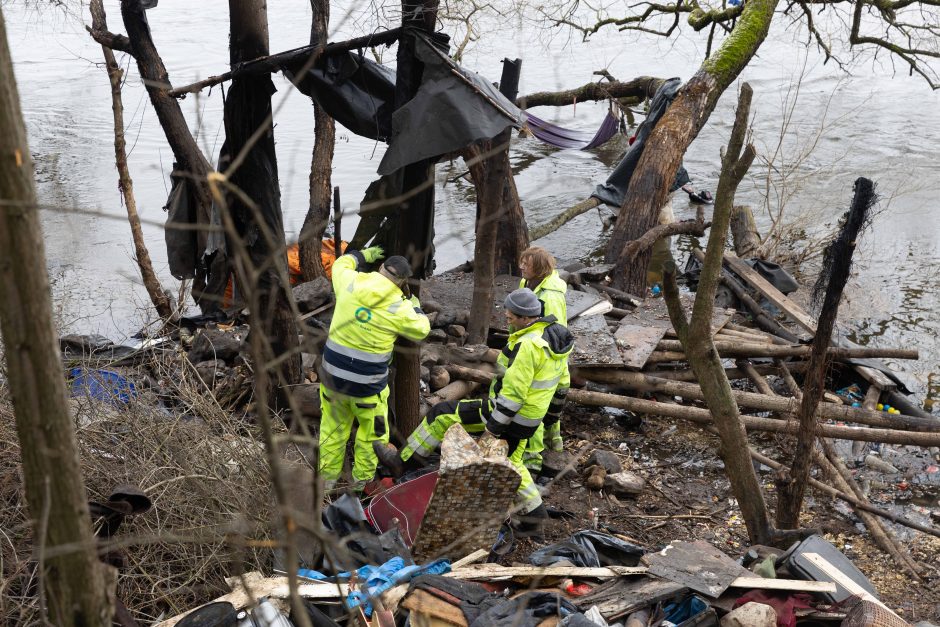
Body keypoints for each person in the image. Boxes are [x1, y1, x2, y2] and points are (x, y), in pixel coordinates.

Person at [375, 288, 573, 534]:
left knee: (443, 413)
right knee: (511, 462)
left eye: (511, 316)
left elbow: (513, 396)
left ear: (525, 317)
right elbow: (562, 385)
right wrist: (551, 421)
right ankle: (535, 518)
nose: (507, 319)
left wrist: (492, 430)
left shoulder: (528, 345)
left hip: (508, 415)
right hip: (530, 419)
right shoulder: (553, 339)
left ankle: (402, 463)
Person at [318, 246, 430, 491]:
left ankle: (326, 485)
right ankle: (360, 486)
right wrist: (415, 305)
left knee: (332, 431)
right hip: (367, 391)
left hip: (332, 382)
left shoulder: (351, 281)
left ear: (380, 269)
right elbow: (422, 328)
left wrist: (364, 255)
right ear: (401, 283)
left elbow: (340, 264)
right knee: (373, 436)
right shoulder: (399, 307)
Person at [518, 247, 569, 474]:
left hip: (547, 363)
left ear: (538, 268)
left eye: (525, 264)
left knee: (541, 410)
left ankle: (538, 459)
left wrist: (542, 361)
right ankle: (553, 447)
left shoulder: (550, 295)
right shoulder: (526, 285)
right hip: (532, 355)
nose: (521, 267)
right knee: (546, 409)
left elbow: (558, 333)